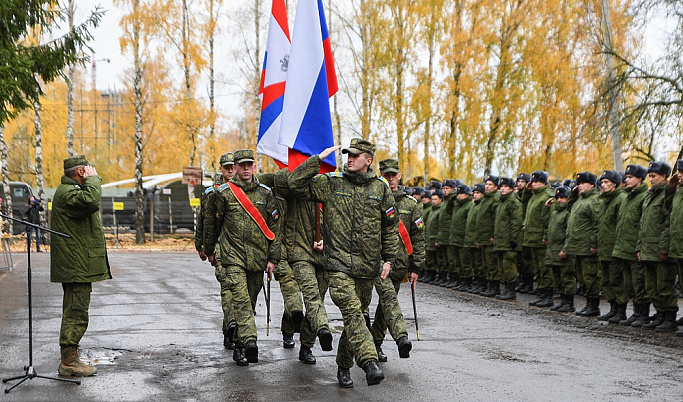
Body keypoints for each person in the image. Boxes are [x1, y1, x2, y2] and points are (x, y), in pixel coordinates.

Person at [289, 138, 398, 388]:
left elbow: (390, 227)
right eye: (348, 154)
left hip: (367, 267)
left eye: (355, 156)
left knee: (356, 317)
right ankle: (369, 362)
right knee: (351, 310)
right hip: (337, 265)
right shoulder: (332, 183)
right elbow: (295, 184)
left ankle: (343, 365)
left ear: (368, 161)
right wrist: (316, 160)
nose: (349, 158)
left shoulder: (380, 189)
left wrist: (389, 259)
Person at [204, 149, 282, 366]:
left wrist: (273, 259)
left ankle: (239, 346)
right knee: (240, 301)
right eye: (242, 165)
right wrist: (210, 250)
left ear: (254, 167)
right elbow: (212, 224)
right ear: (235, 168)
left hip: (257, 259)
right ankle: (250, 341)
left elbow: (276, 229)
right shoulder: (223, 194)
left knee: (250, 301)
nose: (246, 169)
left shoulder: (265, 194)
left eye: (250, 164)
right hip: (232, 258)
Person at [50, 155, 112, 377]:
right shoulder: (68, 193)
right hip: (75, 263)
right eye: (88, 170)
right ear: (80, 173)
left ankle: (71, 355)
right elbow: (91, 201)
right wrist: (94, 180)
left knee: (75, 309)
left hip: (76, 261)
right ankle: (68, 362)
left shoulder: (71, 191)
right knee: (76, 311)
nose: (92, 172)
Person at [272, 159, 335, 364]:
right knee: (307, 296)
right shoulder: (294, 189)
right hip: (298, 252)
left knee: (316, 301)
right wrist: (309, 164)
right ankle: (299, 330)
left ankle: (306, 346)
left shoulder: (329, 189)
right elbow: (287, 181)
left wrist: (327, 240)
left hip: (324, 255)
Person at [371, 158, 422, 362]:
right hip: (374, 262)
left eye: (393, 175)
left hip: (398, 265)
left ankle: (375, 344)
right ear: (380, 175)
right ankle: (397, 338)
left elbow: (418, 237)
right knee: (385, 301)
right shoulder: (373, 199)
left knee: (384, 308)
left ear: (399, 176)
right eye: (386, 175)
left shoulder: (410, 204)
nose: (390, 179)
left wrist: (416, 266)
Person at [199, 152, 237, 350]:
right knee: (228, 288)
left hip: (240, 250)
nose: (231, 170)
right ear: (221, 169)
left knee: (238, 292)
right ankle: (231, 326)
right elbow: (204, 221)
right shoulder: (211, 193)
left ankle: (230, 329)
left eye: (233, 167)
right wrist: (203, 246)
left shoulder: (244, 191)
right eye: (227, 167)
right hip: (221, 249)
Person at [637, 161, 677, 331]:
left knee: (664, 285)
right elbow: (643, 223)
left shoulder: (667, 195)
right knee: (651, 286)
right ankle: (660, 314)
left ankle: (669, 316)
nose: (651, 179)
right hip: (647, 248)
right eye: (650, 176)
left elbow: (668, 223)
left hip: (660, 249)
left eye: (653, 176)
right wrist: (640, 246)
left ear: (664, 176)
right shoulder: (649, 195)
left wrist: (663, 247)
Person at [612, 164, 649, 327]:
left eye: (630, 177)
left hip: (635, 248)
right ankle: (636, 312)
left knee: (639, 282)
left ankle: (643, 314)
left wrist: (640, 247)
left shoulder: (643, 197)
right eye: (626, 177)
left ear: (639, 179)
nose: (626, 180)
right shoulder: (628, 197)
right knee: (630, 284)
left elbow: (643, 225)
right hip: (624, 248)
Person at [562, 171, 601, 317]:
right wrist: (572, 194)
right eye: (578, 184)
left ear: (591, 184)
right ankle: (588, 304)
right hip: (577, 246)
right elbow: (569, 207)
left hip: (587, 247)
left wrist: (593, 244)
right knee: (583, 278)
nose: (579, 186)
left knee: (590, 277)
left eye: (582, 183)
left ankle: (593, 305)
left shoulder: (594, 200)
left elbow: (597, 224)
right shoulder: (580, 200)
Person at [595, 170, 627, 323]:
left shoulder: (620, 199)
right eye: (602, 182)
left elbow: (621, 226)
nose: (603, 185)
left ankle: (621, 310)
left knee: (617, 280)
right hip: (604, 248)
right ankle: (613, 308)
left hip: (614, 248)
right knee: (606, 280)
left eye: (607, 182)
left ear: (614, 183)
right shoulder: (605, 201)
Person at [524, 171, 553, 305]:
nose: (533, 183)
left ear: (543, 182)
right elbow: (523, 204)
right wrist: (527, 191)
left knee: (545, 269)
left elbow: (549, 219)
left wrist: (545, 236)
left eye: (536, 181)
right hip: (532, 238)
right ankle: (542, 294)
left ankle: (548, 296)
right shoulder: (534, 195)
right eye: (532, 181)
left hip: (541, 238)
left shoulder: (547, 196)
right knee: (538, 269)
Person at [546, 186, 576, 312]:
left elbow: (570, 232)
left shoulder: (568, 213)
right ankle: (563, 300)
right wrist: (546, 208)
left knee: (567, 277)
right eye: (557, 197)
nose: (559, 200)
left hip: (563, 249)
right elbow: (546, 224)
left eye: (563, 198)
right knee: (557, 277)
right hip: (553, 249)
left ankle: (569, 303)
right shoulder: (554, 213)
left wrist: (566, 248)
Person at [492, 177, 523, 300]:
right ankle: (505, 289)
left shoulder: (513, 203)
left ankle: (511, 291)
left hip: (509, 242)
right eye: (501, 187)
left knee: (509, 265)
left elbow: (516, 222)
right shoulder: (501, 202)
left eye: (505, 186)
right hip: (501, 240)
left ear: (511, 188)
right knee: (502, 266)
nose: (503, 189)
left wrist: (513, 239)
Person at [663, 160, 683, 336]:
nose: (679, 175)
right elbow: (668, 208)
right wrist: (670, 188)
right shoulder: (678, 192)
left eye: (682, 173)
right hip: (679, 246)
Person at [476, 175, 501, 297]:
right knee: (486, 263)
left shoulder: (495, 199)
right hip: (483, 236)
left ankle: (494, 287)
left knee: (492, 263)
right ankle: (489, 285)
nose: (487, 186)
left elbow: (495, 219)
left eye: (490, 184)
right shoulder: (486, 199)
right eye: (486, 184)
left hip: (490, 237)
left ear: (496, 187)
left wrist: (493, 235)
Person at [451, 184, 473, 291]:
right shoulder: (457, 205)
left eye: (462, 194)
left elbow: (470, 223)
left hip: (464, 238)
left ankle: (467, 281)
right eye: (458, 194)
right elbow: (447, 210)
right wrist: (452, 199)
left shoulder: (469, 206)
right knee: (458, 261)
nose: (459, 196)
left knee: (465, 261)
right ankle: (461, 280)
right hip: (456, 238)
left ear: (468, 194)